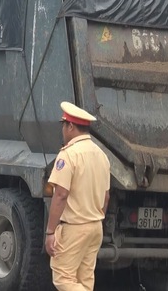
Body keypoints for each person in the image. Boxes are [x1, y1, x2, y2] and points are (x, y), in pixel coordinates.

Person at [44, 101, 110, 291]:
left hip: (74, 228)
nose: (63, 131)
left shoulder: (68, 155)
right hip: (95, 227)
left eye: (63, 125)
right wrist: (97, 220)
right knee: (84, 281)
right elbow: (106, 197)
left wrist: (50, 232)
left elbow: (61, 195)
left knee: (63, 278)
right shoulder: (101, 155)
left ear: (70, 126)